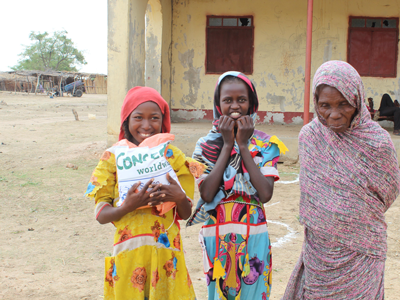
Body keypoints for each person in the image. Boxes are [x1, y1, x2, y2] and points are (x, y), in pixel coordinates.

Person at [282, 61, 400, 299]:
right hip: (320, 251)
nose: (334, 114)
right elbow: (312, 192)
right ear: (316, 103)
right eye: (325, 105)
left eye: (343, 104)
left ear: (357, 99)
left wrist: (351, 216)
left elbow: (389, 190)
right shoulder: (310, 137)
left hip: (363, 250)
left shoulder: (377, 141)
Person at [85, 86, 197, 300]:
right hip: (129, 256)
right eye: (138, 117)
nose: (146, 125)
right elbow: (100, 215)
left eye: (154, 118)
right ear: (126, 120)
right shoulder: (112, 158)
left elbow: (185, 213)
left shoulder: (173, 156)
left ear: (162, 121)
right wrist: (128, 206)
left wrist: (179, 197)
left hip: (166, 258)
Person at [187, 71, 288, 300]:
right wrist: (226, 145)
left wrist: (243, 146)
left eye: (241, 99)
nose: (235, 106)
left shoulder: (266, 144)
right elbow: (207, 192)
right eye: (227, 100)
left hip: (254, 234)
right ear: (217, 103)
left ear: (251, 103)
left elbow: (264, 193)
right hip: (216, 234)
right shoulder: (204, 146)